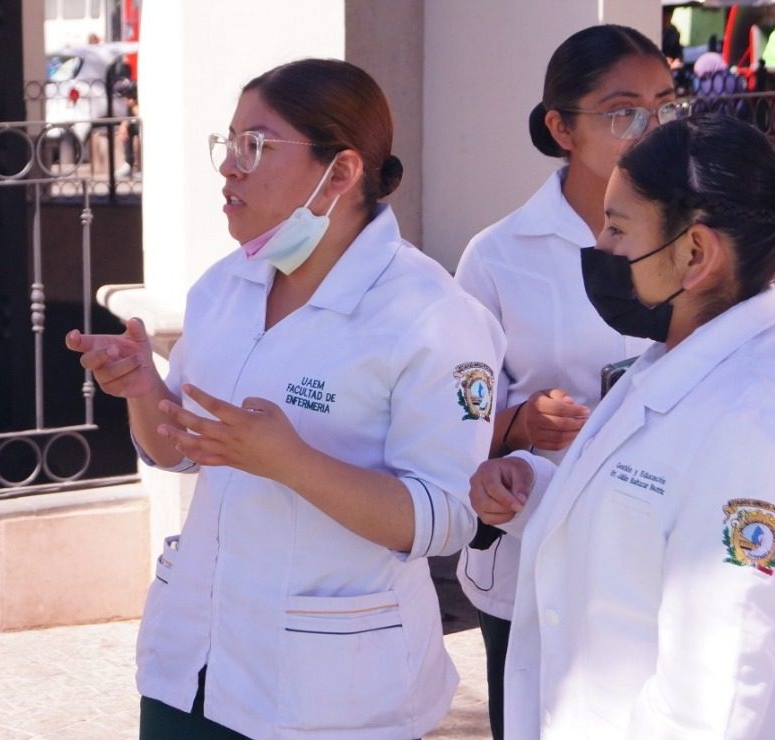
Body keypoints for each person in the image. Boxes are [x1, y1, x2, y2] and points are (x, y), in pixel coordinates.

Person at [67, 58, 504, 738]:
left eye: (257, 145)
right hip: (192, 665)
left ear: (340, 173)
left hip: (328, 691)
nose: (228, 168)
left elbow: (446, 518)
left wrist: (288, 461)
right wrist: (141, 386)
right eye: (229, 143)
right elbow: (177, 450)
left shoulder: (429, 315)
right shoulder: (225, 287)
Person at [473, 113, 775, 738]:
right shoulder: (670, 357)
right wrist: (531, 489)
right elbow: (643, 518)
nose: (600, 248)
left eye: (617, 227)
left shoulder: (752, 422)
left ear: (695, 253)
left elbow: (719, 691)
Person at [451, 24, 677, 739]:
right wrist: (517, 423)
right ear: (560, 128)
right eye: (621, 113)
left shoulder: (700, 244)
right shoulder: (496, 256)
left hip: (663, 555)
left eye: (664, 107)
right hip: (530, 557)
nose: (647, 131)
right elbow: (443, 418)